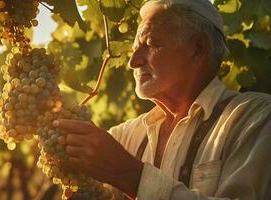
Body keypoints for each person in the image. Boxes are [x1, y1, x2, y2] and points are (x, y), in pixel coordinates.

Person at [53, 0, 271, 199]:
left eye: (151, 44)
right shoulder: (124, 137)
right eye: (134, 49)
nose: (133, 62)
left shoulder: (255, 118)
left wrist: (131, 176)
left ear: (198, 49)